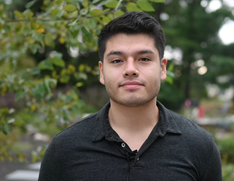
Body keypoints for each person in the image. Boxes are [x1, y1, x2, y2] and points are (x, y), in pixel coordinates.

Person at [38, 11, 222, 181]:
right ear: (102, 72)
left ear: (162, 68)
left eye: (144, 59)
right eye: (117, 60)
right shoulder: (64, 148)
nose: (131, 70)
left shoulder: (199, 146)